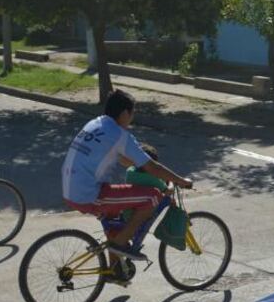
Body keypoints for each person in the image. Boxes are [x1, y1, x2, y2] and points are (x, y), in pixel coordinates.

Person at [62, 89, 192, 261]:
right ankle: (120, 243)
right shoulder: (119, 134)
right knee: (153, 196)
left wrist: (140, 161)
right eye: (131, 114)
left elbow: (125, 160)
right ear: (124, 113)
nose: (131, 119)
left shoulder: (95, 124)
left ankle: (116, 271)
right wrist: (180, 180)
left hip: (70, 188)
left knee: (116, 221)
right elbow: (152, 167)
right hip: (89, 194)